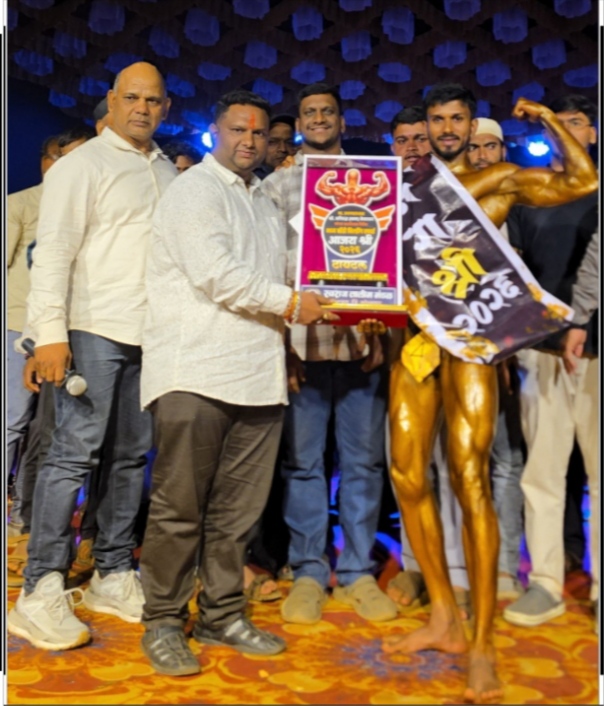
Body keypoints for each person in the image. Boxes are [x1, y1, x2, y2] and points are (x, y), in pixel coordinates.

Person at [383, 83, 598, 704]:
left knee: (470, 477)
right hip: (415, 342)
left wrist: (549, 119)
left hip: (472, 344)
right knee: (407, 474)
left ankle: (482, 643)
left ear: (472, 123)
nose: (447, 128)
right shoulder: (404, 186)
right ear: (426, 125)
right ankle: (444, 618)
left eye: (457, 119)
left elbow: (583, 181)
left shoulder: (497, 180)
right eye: (437, 119)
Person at [138, 89, 333, 676]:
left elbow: (277, 280)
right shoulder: (194, 191)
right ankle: (163, 621)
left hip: (257, 375)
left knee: (236, 514)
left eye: (258, 132)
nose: (249, 141)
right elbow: (218, 275)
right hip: (195, 372)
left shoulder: (264, 202)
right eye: (238, 130)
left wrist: (287, 344)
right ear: (214, 133)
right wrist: (294, 304)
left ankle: (221, 614)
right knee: (179, 510)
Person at [7, 62, 177, 651]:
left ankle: (112, 572)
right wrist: (48, 335)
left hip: (149, 335)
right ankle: (40, 589)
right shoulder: (82, 165)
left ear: (166, 108)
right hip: (90, 330)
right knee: (70, 458)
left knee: (131, 458)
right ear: (111, 100)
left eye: (152, 100)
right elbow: (52, 251)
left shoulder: (166, 170)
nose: (141, 108)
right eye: (131, 97)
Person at [262, 83, 397, 627]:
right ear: (298, 124)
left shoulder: (376, 180)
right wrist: (280, 344)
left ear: (343, 121)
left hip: (363, 344)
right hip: (302, 345)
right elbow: (268, 269)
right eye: (309, 113)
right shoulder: (276, 186)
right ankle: (309, 571)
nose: (319, 119)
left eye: (328, 112)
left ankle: (358, 572)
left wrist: (384, 329)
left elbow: (390, 263)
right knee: (303, 465)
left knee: (364, 463)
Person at [503, 94, 598, 632]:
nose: (565, 132)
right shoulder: (530, 193)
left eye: (577, 123)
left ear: (593, 135)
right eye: (556, 124)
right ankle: (544, 583)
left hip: (596, 351)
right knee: (541, 473)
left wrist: (580, 320)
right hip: (542, 351)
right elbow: (514, 270)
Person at [386, 107, 471, 615]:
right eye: (403, 140)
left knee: (456, 467)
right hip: (406, 348)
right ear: (391, 146)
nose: (413, 148)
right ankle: (419, 567)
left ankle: (459, 573)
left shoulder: (460, 192)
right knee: (409, 468)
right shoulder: (380, 199)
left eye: (421, 138)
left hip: (461, 346)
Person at [467, 118, 525, 600]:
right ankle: (460, 567)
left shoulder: (517, 200)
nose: (483, 155)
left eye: (492, 146)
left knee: (506, 458)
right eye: (475, 147)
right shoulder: (440, 204)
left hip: (511, 348)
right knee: (462, 464)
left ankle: (504, 566)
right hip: (457, 350)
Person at [7, 134, 61, 536]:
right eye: (59, 158)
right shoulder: (21, 204)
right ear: (45, 161)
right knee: (12, 421)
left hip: (59, 333)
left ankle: (24, 514)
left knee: (43, 431)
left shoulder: (81, 209)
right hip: (16, 325)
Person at [254, 113, 297, 178]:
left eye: (289, 143)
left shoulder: (302, 175)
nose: (283, 149)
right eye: (273, 142)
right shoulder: (249, 177)